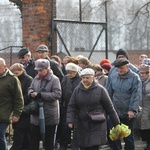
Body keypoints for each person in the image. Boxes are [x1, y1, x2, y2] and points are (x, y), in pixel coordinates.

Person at [67, 68, 120, 150]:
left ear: (93, 77)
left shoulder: (100, 90)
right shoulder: (77, 90)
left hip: (97, 123)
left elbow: (109, 107)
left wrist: (117, 122)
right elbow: (72, 106)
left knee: (93, 146)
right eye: (83, 78)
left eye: (87, 78)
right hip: (81, 124)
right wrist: (70, 120)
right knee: (83, 146)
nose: (85, 80)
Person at [106, 58, 142, 150]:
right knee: (114, 137)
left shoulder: (135, 78)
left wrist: (132, 110)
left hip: (128, 113)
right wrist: (109, 109)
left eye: (121, 68)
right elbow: (109, 93)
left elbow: (136, 95)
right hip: (115, 113)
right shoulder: (114, 76)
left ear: (127, 66)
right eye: (118, 68)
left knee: (128, 138)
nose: (119, 70)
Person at [28, 59, 62, 150]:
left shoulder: (54, 80)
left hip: (49, 115)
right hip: (36, 115)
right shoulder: (36, 78)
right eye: (37, 70)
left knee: (48, 142)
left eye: (40, 70)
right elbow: (30, 87)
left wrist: (40, 95)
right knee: (33, 141)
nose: (39, 72)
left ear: (47, 69)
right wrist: (31, 93)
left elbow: (57, 94)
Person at [0, 58, 24, 150]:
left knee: (0, 135)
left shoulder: (12, 79)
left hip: (5, 114)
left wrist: (17, 114)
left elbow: (19, 98)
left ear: (5, 67)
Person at [9, 63, 33, 150]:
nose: (15, 75)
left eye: (16, 73)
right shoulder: (15, 79)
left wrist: (18, 100)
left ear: (22, 70)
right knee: (24, 133)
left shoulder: (28, 80)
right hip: (19, 108)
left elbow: (28, 96)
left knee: (20, 131)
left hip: (25, 109)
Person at [60, 63, 81, 150]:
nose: (70, 74)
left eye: (72, 72)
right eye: (68, 72)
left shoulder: (80, 79)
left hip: (77, 108)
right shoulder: (65, 78)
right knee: (64, 127)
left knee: (76, 128)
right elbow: (61, 90)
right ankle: (63, 145)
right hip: (66, 106)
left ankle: (75, 146)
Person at [139, 64, 150, 150]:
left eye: (144, 73)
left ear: (148, 73)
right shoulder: (139, 80)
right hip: (143, 105)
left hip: (149, 103)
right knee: (144, 123)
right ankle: (147, 143)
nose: (142, 75)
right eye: (141, 73)